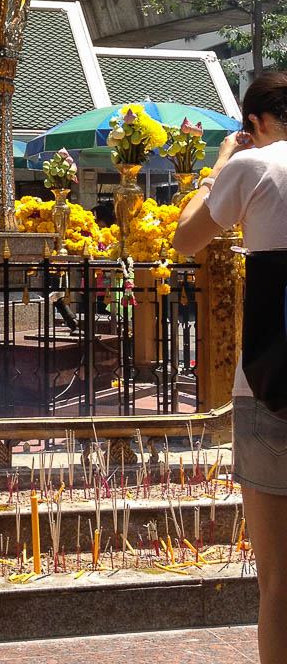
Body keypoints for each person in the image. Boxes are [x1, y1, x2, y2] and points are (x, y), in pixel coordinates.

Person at [173, 72, 287, 664]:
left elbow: (185, 238)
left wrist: (217, 165)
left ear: (256, 124)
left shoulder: (255, 166)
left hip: (272, 388)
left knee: (280, 584)